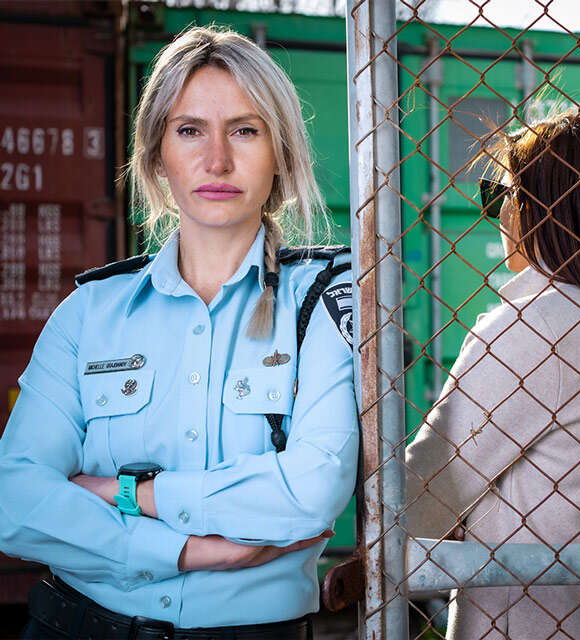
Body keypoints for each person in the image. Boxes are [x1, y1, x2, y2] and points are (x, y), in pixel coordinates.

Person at [0, 26, 358, 639]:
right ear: (156, 156)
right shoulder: (90, 312)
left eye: (244, 130)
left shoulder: (322, 300)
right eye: (190, 130)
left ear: (281, 154)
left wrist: (128, 493)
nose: (217, 160)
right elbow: (15, 501)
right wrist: (188, 550)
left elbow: (312, 492)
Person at [404, 112, 580, 639]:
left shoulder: (531, 326)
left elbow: (428, 485)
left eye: (502, 195)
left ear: (537, 206)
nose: (497, 213)